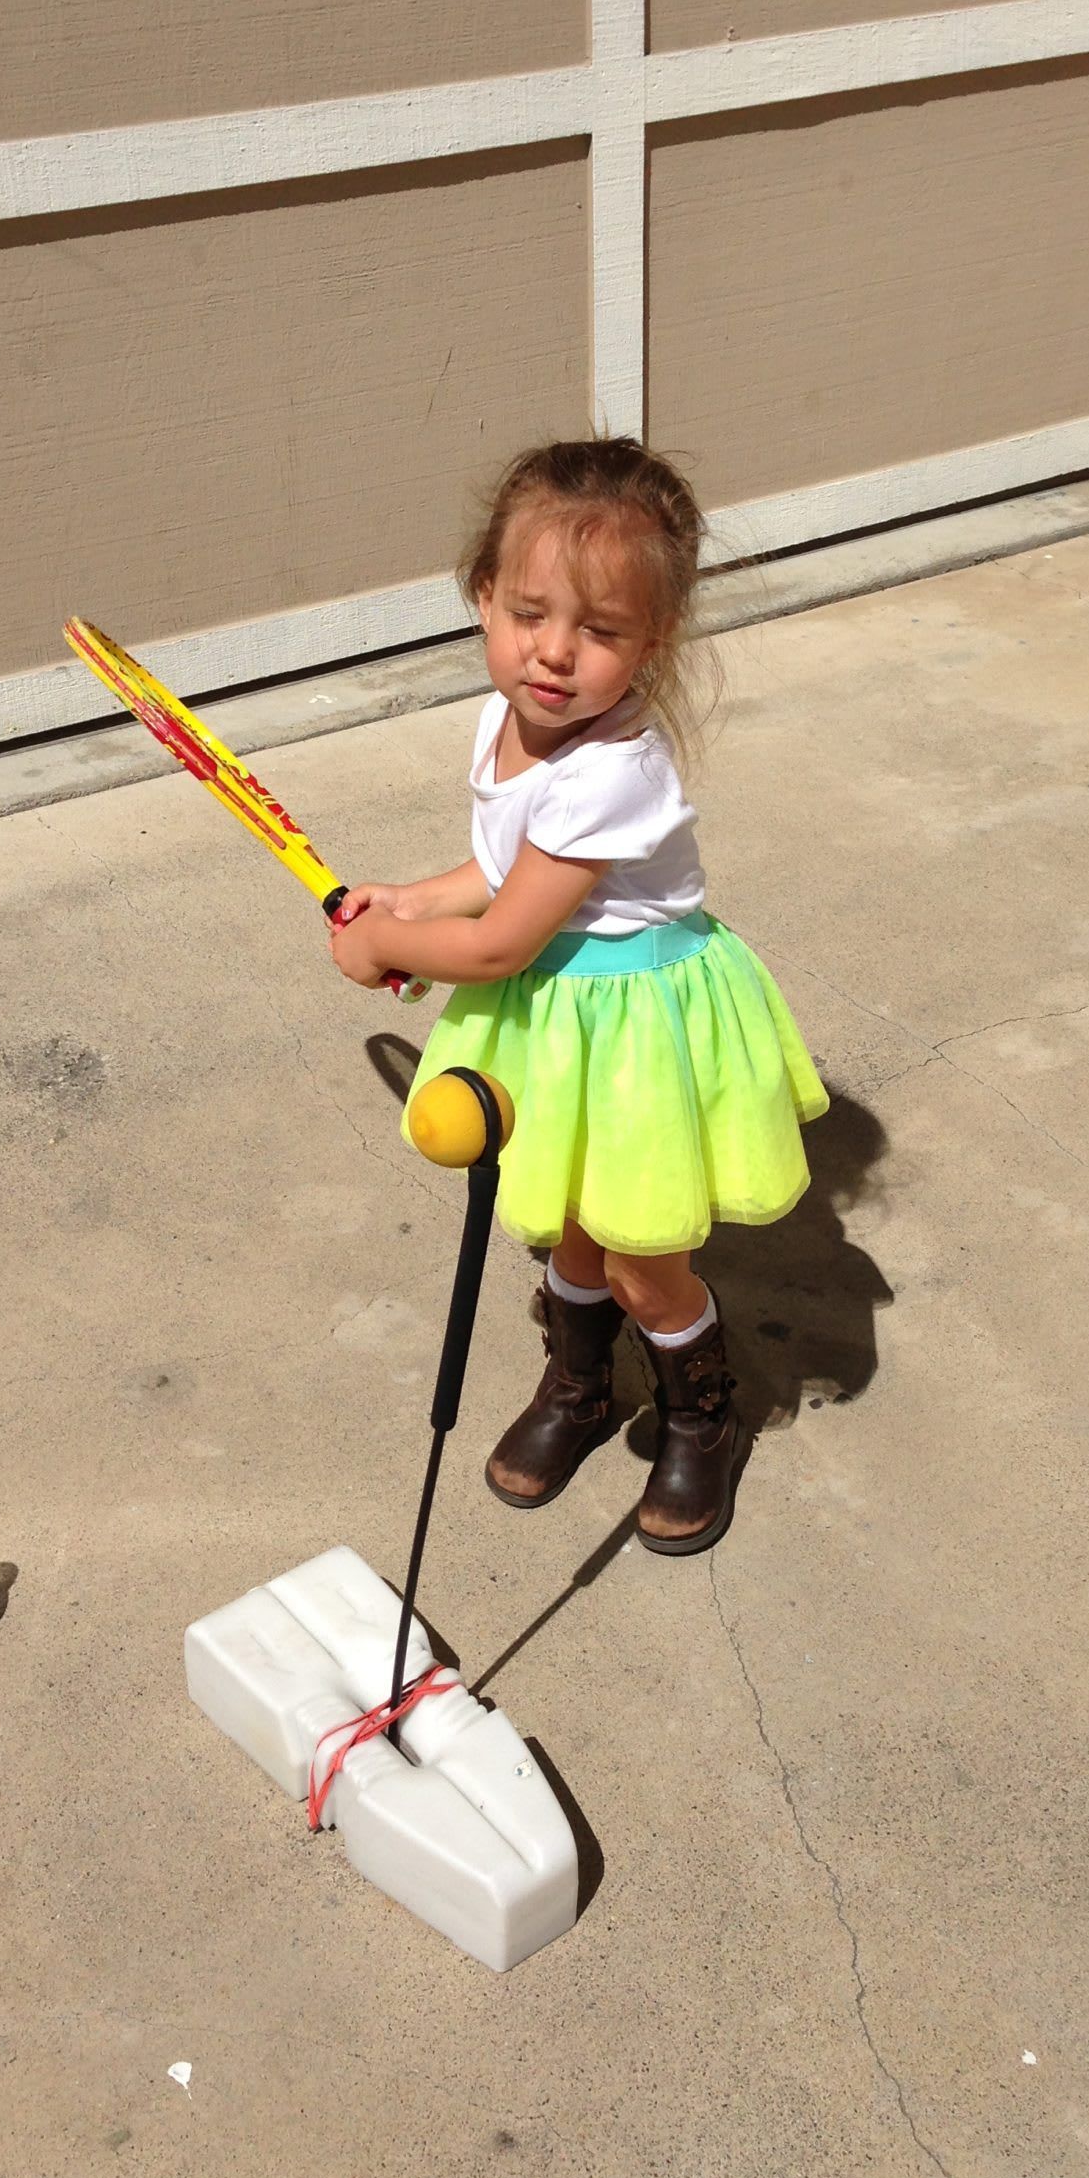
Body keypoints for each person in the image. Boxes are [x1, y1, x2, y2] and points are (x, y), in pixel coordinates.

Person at [329, 438, 827, 1556]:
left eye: (599, 632)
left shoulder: (611, 770)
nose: (552, 654)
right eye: (527, 613)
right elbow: (503, 868)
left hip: (635, 1024)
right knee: (567, 1221)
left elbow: (504, 937)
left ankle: (704, 1415)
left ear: (654, 640)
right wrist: (410, 900)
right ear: (482, 594)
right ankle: (580, 1389)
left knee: (642, 1253)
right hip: (562, 1019)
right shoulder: (508, 717)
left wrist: (392, 949)